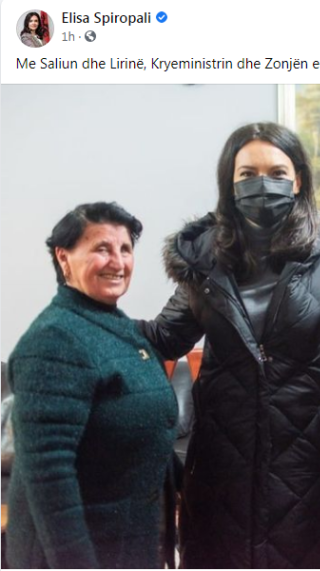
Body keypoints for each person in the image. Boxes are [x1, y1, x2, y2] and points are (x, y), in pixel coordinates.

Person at [139, 122, 320, 568]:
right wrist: (87, 320)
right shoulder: (203, 260)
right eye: (248, 174)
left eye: (277, 173)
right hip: (221, 466)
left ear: (297, 180)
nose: (263, 184)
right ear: (230, 182)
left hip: (306, 467)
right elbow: (164, 338)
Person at [6, 202, 178, 569]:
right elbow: (49, 479)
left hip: (127, 542)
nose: (118, 262)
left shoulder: (115, 326)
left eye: (125, 249)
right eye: (102, 248)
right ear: (63, 257)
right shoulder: (54, 339)